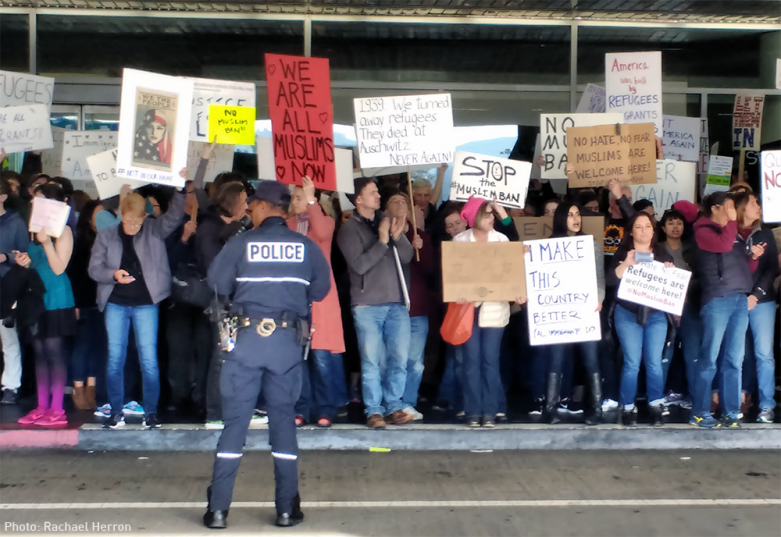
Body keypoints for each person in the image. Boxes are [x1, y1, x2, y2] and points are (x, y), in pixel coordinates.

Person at [202, 181, 331, 530]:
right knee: (282, 422)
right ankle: (287, 508)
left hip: (245, 342)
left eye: (252, 203)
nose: (249, 209)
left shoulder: (242, 242)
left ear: (261, 206)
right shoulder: (305, 247)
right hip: (286, 346)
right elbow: (320, 290)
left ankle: (218, 510)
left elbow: (216, 282)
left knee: (235, 424)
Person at [89, 182, 187, 429]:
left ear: (145, 216)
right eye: (129, 221)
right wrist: (114, 274)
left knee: (149, 359)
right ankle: (116, 411)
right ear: (121, 214)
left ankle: (151, 412)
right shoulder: (107, 234)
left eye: (138, 222)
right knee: (115, 358)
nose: (133, 226)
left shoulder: (153, 229)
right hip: (115, 303)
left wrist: (182, 189)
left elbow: (175, 216)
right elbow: (94, 269)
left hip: (146, 303)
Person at [337, 177, 416, 429]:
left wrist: (397, 236)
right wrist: (382, 241)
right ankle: (373, 409)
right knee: (371, 361)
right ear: (357, 199)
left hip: (397, 302)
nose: (378, 195)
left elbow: (406, 256)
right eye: (372, 192)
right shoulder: (349, 229)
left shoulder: (388, 220)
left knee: (399, 359)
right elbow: (359, 265)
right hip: (367, 305)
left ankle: (394, 405)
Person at [453, 196, 525, 428]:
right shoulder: (460, 240)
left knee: (490, 360)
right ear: (474, 217)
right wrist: (458, 292)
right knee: (471, 360)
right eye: (486, 214)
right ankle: (473, 411)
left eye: (492, 214)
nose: (491, 218)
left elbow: (511, 271)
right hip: (467, 309)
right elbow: (452, 274)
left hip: (495, 308)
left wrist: (517, 292)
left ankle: (490, 411)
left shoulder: (502, 240)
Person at [691, 192, 759, 429]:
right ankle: (699, 412)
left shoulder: (733, 233)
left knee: (734, 359)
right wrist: (731, 224)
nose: (733, 212)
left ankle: (731, 411)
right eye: (729, 207)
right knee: (709, 357)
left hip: (740, 297)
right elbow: (722, 245)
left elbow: (743, 266)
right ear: (715, 209)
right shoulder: (702, 230)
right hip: (718, 298)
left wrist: (753, 257)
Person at [16, 184, 77, 427]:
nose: (34, 205)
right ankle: (41, 406)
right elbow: (36, 262)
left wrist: (46, 243)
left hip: (57, 298)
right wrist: (25, 260)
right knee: (39, 353)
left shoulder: (64, 231)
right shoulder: (34, 231)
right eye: (34, 201)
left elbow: (59, 267)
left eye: (40, 201)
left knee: (54, 352)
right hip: (37, 298)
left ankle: (57, 408)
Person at [288, 176, 347, 428]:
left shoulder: (325, 222)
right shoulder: (288, 224)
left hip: (320, 298)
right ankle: (301, 407)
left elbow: (322, 232)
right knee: (298, 358)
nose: (294, 200)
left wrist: (312, 199)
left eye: (298, 197)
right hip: (294, 298)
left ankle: (326, 408)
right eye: (294, 196)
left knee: (321, 356)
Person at [607, 211, 675, 426]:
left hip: (655, 315)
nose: (643, 230)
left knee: (654, 362)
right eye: (638, 226)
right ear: (631, 231)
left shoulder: (662, 252)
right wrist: (626, 263)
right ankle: (627, 407)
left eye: (647, 226)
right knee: (632, 362)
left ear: (653, 230)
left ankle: (656, 405)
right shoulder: (624, 252)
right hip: (627, 313)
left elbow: (673, 285)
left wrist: (670, 271)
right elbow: (610, 279)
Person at [544, 202, 605, 426]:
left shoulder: (592, 246)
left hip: (585, 310)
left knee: (591, 360)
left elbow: (599, 278)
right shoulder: (548, 247)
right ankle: (549, 409)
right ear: (561, 218)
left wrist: (599, 299)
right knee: (556, 359)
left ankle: (596, 409)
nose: (575, 218)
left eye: (578, 214)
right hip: (559, 311)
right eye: (570, 215)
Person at [733, 192, 778, 423]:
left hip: (763, 300)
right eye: (753, 203)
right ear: (742, 208)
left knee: (764, 354)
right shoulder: (729, 233)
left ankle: (767, 405)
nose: (758, 206)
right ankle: (737, 400)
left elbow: (771, 268)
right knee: (737, 353)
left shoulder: (765, 233)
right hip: (735, 299)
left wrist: (756, 295)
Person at [67, 200, 105, 410]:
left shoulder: (108, 239)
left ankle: (91, 386)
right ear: (88, 217)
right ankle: (78, 387)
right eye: (97, 215)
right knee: (81, 346)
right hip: (83, 302)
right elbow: (73, 275)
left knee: (97, 346)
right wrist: (75, 303)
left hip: (101, 302)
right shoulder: (80, 242)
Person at [0, 176, 29, 405]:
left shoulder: (15, 222)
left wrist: (6, 257)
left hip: (7, 285)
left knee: (9, 337)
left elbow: (25, 256)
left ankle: (11, 385)